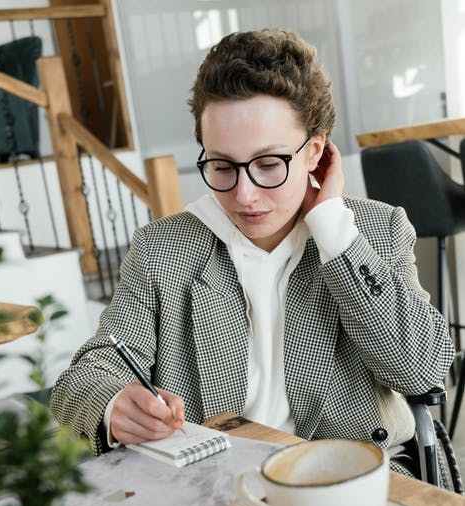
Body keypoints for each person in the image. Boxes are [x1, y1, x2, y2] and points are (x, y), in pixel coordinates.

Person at [50, 28, 454, 470]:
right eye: (222, 166)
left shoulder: (376, 231)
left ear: (314, 152)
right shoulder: (162, 248)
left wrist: (333, 231)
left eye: (268, 164)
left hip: (353, 478)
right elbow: (83, 378)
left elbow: (424, 369)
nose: (244, 195)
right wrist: (114, 405)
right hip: (216, 485)